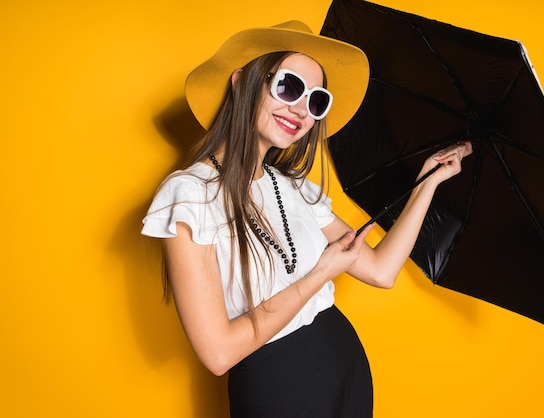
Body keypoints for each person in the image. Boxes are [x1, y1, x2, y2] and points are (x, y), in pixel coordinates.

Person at [142, 20, 472, 418]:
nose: (301, 110)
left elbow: (382, 270)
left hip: (343, 370)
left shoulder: (295, 189)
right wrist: (320, 272)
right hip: (276, 387)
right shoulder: (190, 195)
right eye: (289, 87)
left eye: (316, 101)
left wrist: (427, 182)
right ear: (241, 81)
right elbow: (218, 353)